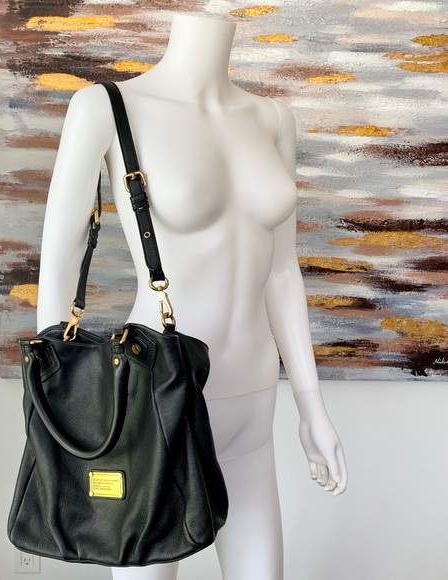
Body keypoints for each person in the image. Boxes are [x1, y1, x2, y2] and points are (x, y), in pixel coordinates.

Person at [36, 12, 348, 580]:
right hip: (153, 393)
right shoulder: (106, 107)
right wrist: (52, 408)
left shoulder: (273, 118)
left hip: (252, 399)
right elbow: (58, 260)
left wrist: (312, 406)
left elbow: (282, 271)